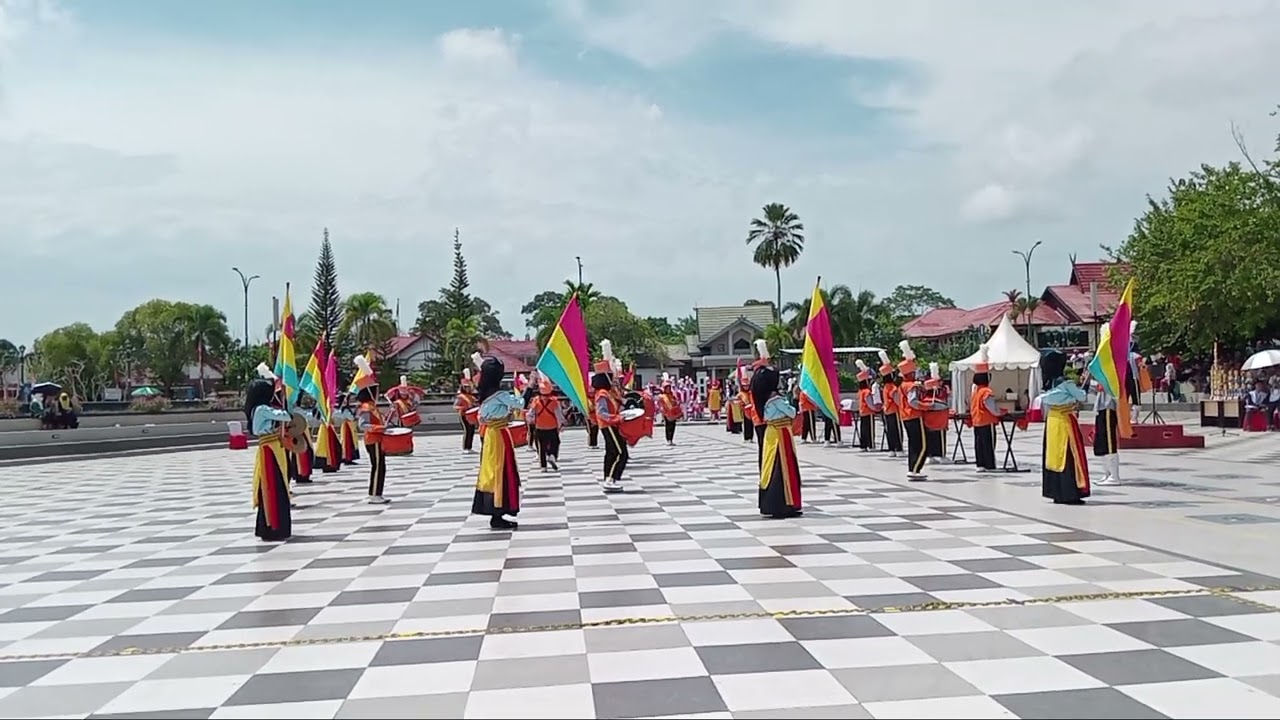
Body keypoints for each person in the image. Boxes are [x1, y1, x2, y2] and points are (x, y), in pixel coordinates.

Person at [471, 355, 524, 529]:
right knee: (501, 472)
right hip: (499, 436)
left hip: (490, 436)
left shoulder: (485, 395)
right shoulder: (500, 395)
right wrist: (530, 387)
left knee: (492, 471)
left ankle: (497, 512)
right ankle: (498, 513)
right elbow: (520, 404)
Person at [752, 341, 802, 519]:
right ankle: (784, 504)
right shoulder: (777, 401)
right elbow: (792, 412)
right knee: (783, 468)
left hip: (771, 434)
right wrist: (794, 399)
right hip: (781, 435)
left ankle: (773, 504)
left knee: (771, 467)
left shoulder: (765, 401)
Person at [247, 367, 292, 542]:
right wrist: (283, 399)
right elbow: (285, 416)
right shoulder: (262, 409)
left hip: (271, 449)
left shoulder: (259, 409)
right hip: (269, 452)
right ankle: (272, 527)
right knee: (272, 488)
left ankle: (273, 526)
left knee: (276, 487)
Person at [1039, 349, 1089, 504]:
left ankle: (1056, 492)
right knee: (1069, 456)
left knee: (1053, 456)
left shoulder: (1047, 384)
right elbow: (1082, 396)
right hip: (1066, 420)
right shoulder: (1066, 383)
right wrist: (1084, 385)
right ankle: (1070, 492)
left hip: (1052, 420)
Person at [593, 340, 627, 493]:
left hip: (612, 425)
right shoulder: (601, 394)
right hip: (609, 426)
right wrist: (617, 419)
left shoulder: (608, 393)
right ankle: (611, 479)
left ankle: (608, 477)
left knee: (611, 452)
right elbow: (602, 413)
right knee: (621, 453)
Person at [897, 340, 929, 481]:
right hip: (914, 416)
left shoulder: (902, 385)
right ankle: (915, 469)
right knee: (922, 445)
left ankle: (913, 468)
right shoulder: (911, 386)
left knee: (913, 444)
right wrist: (926, 406)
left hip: (905, 416)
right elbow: (913, 401)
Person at [969, 345, 1004, 471]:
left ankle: (980, 464)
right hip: (987, 420)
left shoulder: (975, 391)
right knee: (988, 443)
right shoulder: (986, 391)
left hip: (977, 421)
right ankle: (990, 465)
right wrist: (999, 412)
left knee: (979, 443)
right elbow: (991, 407)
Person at [355, 378, 389, 505]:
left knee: (380, 467)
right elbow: (363, 425)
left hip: (378, 439)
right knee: (378, 467)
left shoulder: (372, 406)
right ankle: (375, 494)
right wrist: (379, 428)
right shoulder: (366, 407)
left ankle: (376, 492)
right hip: (373, 440)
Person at [529, 378, 564, 472]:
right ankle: (552, 456)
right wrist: (561, 425)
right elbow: (559, 415)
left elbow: (530, 414)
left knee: (541, 447)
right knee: (555, 442)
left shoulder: (535, 401)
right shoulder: (554, 402)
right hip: (552, 427)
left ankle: (543, 466)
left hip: (539, 427)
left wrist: (531, 421)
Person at [923, 362, 950, 464]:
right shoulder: (935, 400)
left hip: (928, 424)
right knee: (940, 439)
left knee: (929, 439)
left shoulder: (924, 399)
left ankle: (930, 455)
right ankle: (941, 455)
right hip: (939, 423)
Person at [877, 350, 902, 456]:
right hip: (894, 410)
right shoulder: (892, 387)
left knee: (890, 430)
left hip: (886, 410)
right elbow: (896, 398)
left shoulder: (885, 386)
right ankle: (899, 448)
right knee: (897, 430)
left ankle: (891, 449)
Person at [855, 360, 878, 451]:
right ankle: (871, 445)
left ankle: (863, 445)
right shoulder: (867, 391)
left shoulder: (860, 391)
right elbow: (869, 403)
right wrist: (875, 409)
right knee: (870, 430)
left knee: (863, 429)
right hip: (869, 412)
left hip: (862, 412)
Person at [454, 370, 478, 454]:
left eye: (468, 387)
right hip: (464, 415)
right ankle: (465, 447)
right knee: (467, 430)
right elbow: (455, 407)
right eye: (466, 387)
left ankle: (469, 447)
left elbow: (476, 403)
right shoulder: (460, 396)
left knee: (472, 431)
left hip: (471, 415)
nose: (468, 388)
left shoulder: (471, 396)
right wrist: (465, 407)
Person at [334, 393, 358, 466]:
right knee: (347, 443)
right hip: (347, 428)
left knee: (349, 443)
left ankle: (348, 457)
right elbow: (351, 417)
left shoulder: (346, 409)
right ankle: (347, 458)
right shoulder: (344, 410)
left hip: (349, 427)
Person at [658, 374, 683, 445]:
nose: (668, 389)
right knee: (668, 426)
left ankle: (671, 439)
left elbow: (676, 403)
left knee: (673, 427)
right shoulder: (662, 396)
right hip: (667, 414)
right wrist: (663, 412)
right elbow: (660, 405)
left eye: (669, 387)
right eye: (666, 388)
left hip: (673, 414)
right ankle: (668, 439)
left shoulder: (673, 395)